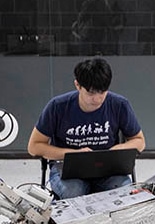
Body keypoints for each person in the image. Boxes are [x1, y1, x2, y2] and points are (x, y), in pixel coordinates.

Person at [28, 57, 146, 199]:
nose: (97, 99)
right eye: (90, 93)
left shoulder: (119, 105)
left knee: (123, 189)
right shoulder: (57, 107)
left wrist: (115, 151)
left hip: (108, 170)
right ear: (77, 85)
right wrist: (72, 154)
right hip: (67, 170)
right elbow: (34, 146)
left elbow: (139, 141)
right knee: (73, 191)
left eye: (102, 92)